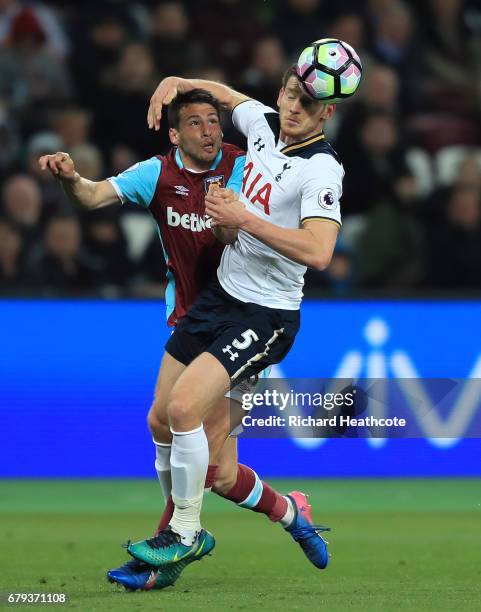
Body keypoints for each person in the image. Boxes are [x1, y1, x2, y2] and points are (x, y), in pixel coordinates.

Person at [38, 88, 323, 591]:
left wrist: (231, 224)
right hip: (195, 317)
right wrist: (69, 179)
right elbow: (92, 195)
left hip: (247, 319)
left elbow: (258, 229)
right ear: (175, 135)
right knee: (203, 458)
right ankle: (290, 511)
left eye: (215, 121)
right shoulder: (156, 174)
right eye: (196, 124)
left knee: (189, 425)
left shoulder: (245, 165)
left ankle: (169, 548)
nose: (210, 131)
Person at [126, 66, 342, 573]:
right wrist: (174, 81)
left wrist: (242, 217)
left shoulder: (322, 170)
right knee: (205, 459)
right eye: (290, 95)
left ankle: (179, 538)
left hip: (266, 315)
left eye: (307, 105)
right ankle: (291, 513)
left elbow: (320, 251)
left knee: (183, 411)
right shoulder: (264, 124)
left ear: (326, 113)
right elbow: (223, 95)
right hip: (220, 297)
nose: (293, 108)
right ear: (280, 92)